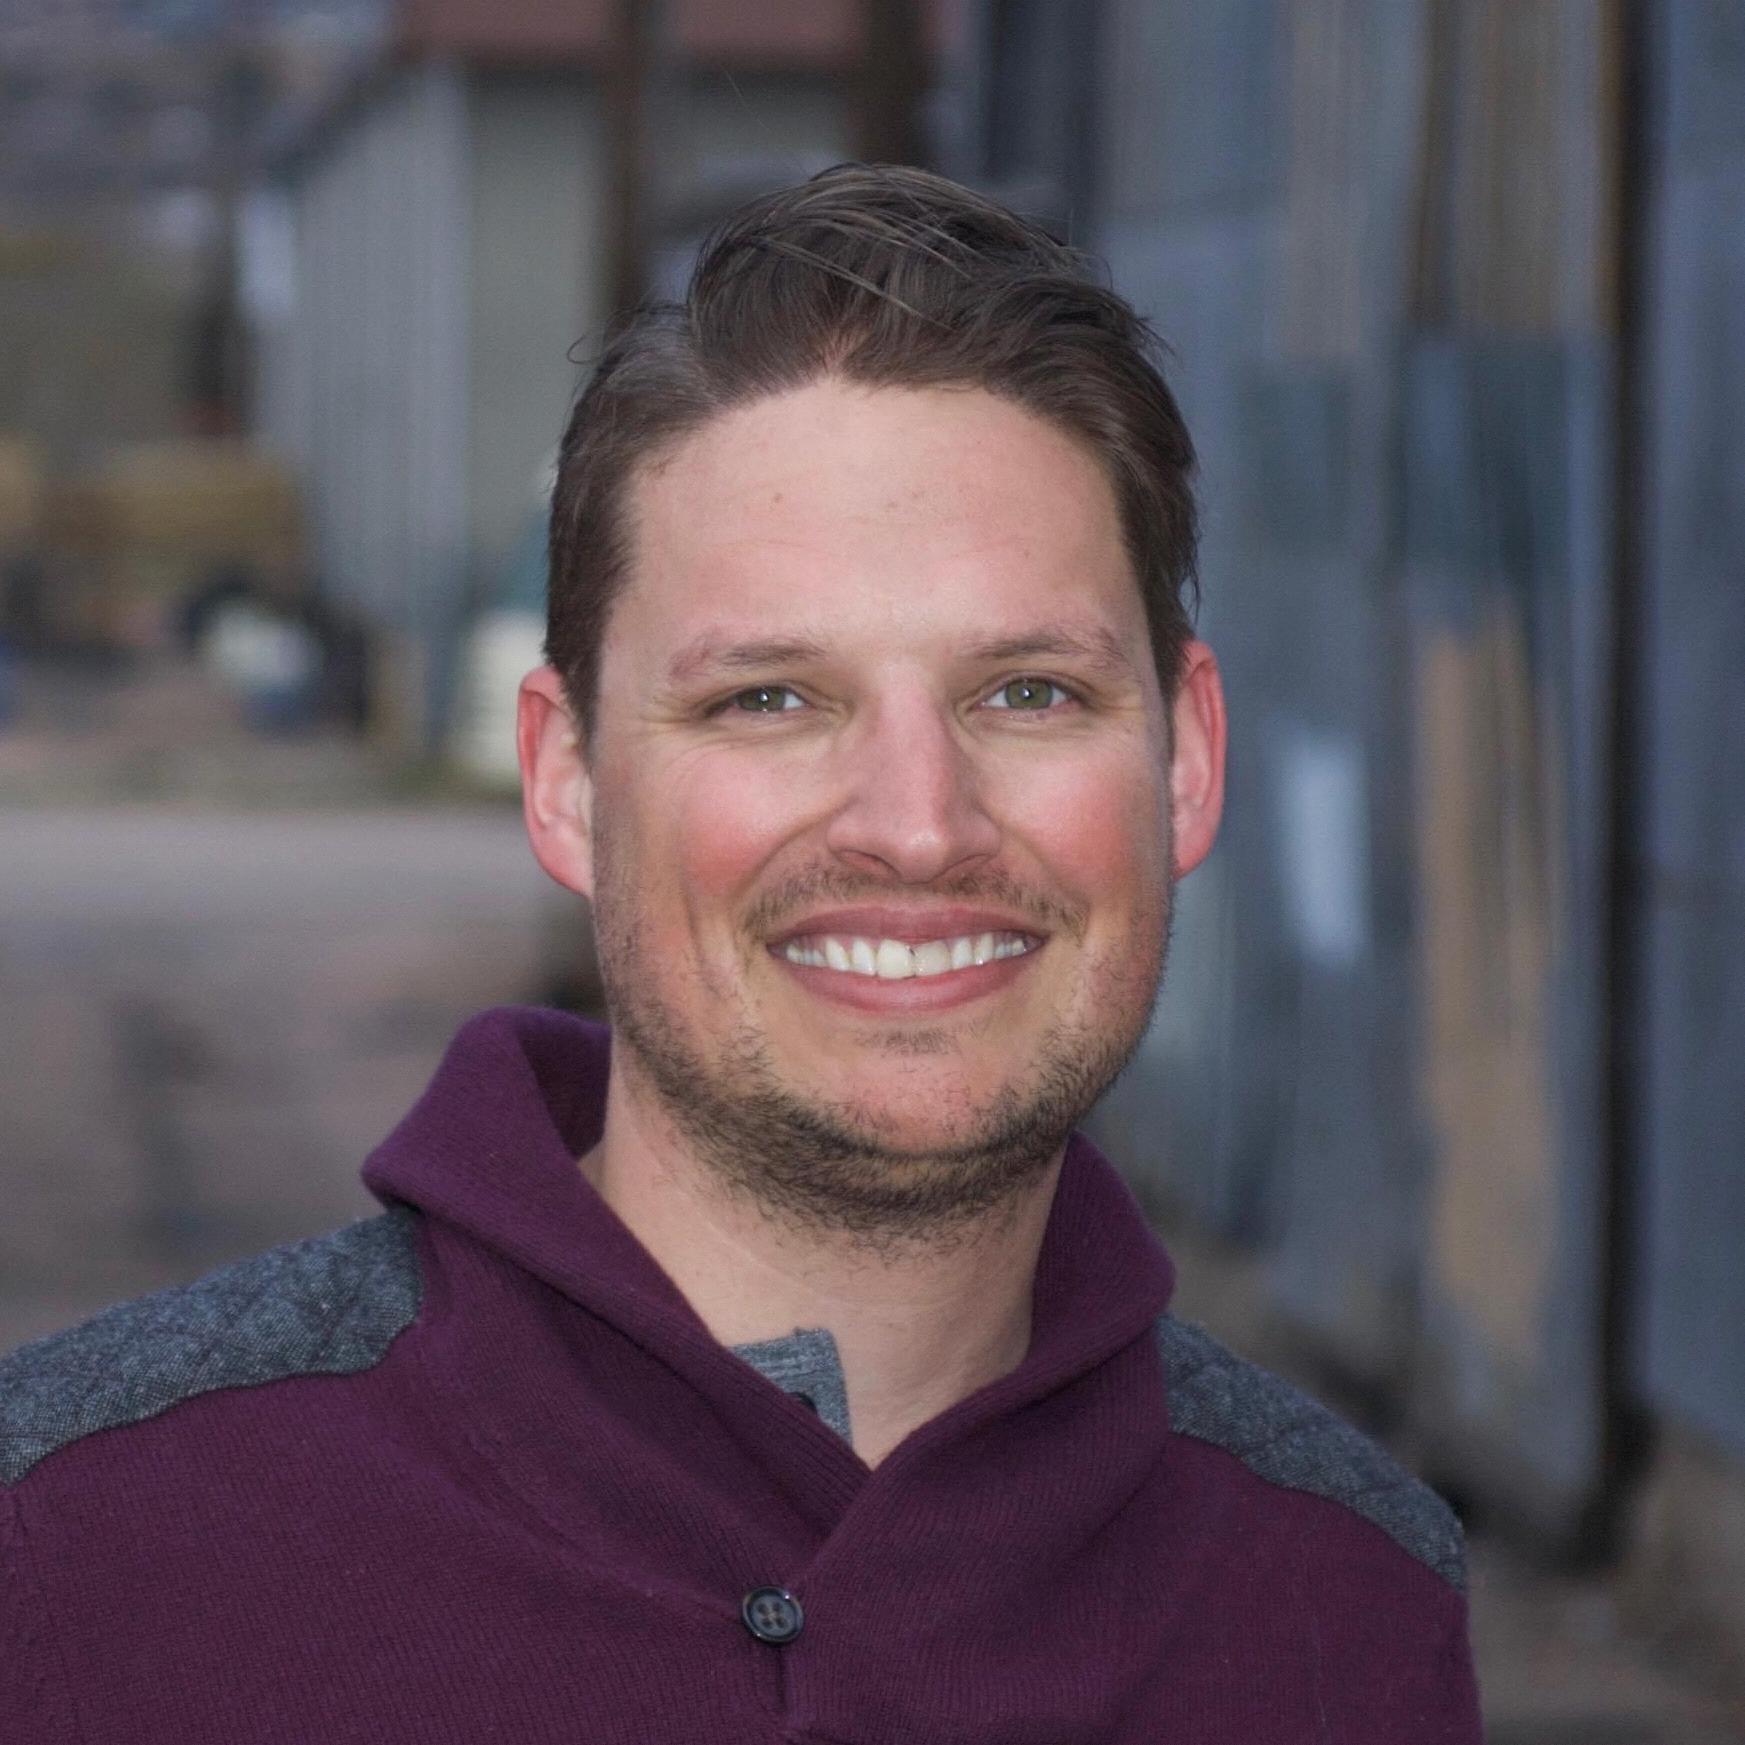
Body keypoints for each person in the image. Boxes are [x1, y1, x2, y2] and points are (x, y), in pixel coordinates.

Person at [0, 166, 1481, 1742]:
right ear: (566, 780)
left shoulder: (1348, 1608)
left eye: (1028, 692)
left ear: (1185, 760)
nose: (916, 824)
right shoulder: (72, 1550)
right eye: (768, 698)